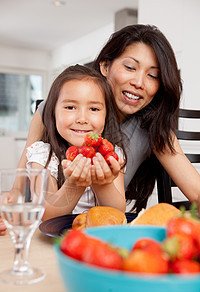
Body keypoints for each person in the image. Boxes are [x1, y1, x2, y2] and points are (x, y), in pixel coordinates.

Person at [1, 24, 200, 234]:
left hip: (97, 234)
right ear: (105, 66)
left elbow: (195, 192)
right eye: (130, 67)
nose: (139, 82)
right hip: (39, 228)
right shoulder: (50, 115)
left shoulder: (150, 130)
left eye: (153, 75)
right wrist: (10, 201)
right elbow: (20, 186)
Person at [26, 64, 127, 221]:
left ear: (106, 115)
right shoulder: (44, 154)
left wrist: (102, 183)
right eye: (70, 107)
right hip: (55, 241)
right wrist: (74, 185)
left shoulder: (112, 154)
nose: (82, 119)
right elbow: (44, 214)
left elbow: (117, 213)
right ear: (53, 113)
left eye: (94, 109)